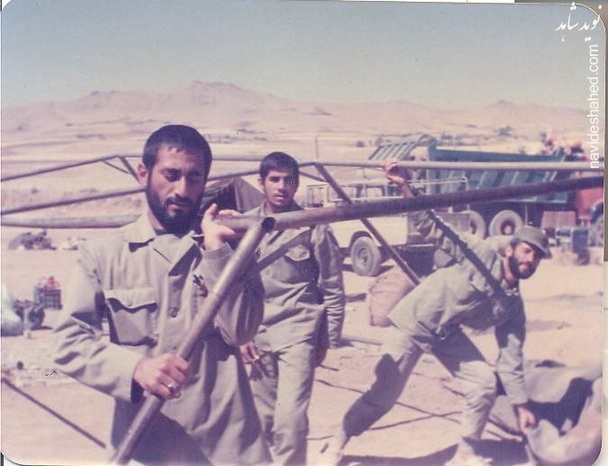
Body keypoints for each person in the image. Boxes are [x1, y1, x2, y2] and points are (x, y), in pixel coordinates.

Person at [53, 125, 271, 465]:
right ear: (144, 173)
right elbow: (68, 342)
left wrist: (219, 253)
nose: (182, 190)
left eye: (194, 178)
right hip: (145, 444)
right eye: (171, 175)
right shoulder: (104, 254)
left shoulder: (229, 244)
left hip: (227, 447)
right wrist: (135, 369)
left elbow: (240, 331)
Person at [321, 160, 547, 466]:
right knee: (383, 397)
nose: (530, 260)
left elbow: (511, 357)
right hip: (414, 323)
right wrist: (404, 186)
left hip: (445, 334)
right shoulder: (479, 254)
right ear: (510, 249)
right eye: (526, 251)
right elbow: (434, 227)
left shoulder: (512, 306)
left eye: (537, 257)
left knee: (483, 383)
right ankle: (337, 442)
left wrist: (521, 405)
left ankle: (465, 455)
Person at [240, 151, 346, 465]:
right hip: (259, 332)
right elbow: (233, 285)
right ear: (261, 182)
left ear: (297, 185)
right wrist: (242, 334)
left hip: (299, 331)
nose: (281, 187)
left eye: (289, 180)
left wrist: (328, 338)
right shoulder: (245, 224)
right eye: (274, 179)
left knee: (290, 422)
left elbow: (332, 286)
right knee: (261, 418)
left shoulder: (312, 226)